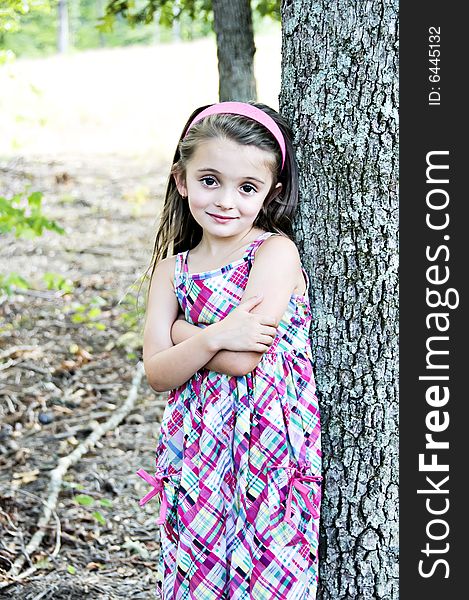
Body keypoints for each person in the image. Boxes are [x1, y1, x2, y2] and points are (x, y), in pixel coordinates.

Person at [137, 101, 322, 599]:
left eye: (247, 188)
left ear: (271, 193)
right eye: (210, 180)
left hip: (266, 443)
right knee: (197, 569)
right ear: (181, 179)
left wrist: (179, 331)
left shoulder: (274, 252)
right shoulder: (171, 270)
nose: (226, 201)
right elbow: (157, 374)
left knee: (267, 572)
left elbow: (245, 360)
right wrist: (216, 334)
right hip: (196, 446)